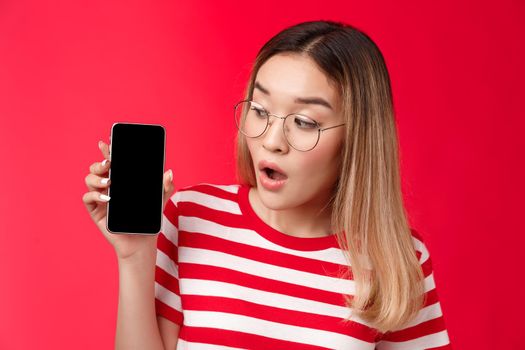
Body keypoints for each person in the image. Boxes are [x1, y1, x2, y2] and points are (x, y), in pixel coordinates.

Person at [83, 20, 451, 349]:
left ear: (358, 138)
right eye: (259, 111)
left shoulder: (398, 259)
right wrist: (134, 258)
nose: (272, 140)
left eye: (304, 122)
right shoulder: (189, 217)